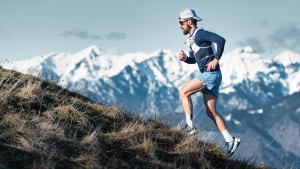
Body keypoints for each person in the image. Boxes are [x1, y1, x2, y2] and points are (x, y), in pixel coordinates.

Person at [177, 8, 240, 157]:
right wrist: (186, 59)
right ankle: (230, 140)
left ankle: (190, 126)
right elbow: (196, 59)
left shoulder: (200, 34)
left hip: (210, 75)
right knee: (210, 112)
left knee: (183, 92)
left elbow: (221, 40)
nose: (180, 26)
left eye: (181, 22)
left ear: (189, 22)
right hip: (214, 75)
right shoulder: (192, 39)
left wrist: (216, 59)